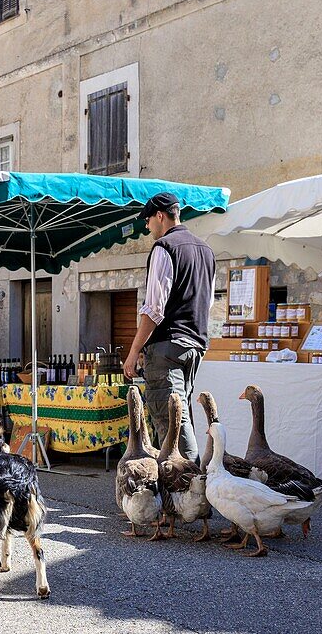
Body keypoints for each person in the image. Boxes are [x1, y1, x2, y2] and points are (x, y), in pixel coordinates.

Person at [123, 192, 215, 462]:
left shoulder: (164, 248)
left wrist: (133, 351)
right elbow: (207, 304)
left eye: (148, 220)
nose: (147, 226)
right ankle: (193, 488)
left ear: (160, 216)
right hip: (195, 343)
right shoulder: (206, 250)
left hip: (168, 345)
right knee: (182, 413)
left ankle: (189, 489)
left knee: (172, 422)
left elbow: (153, 309)